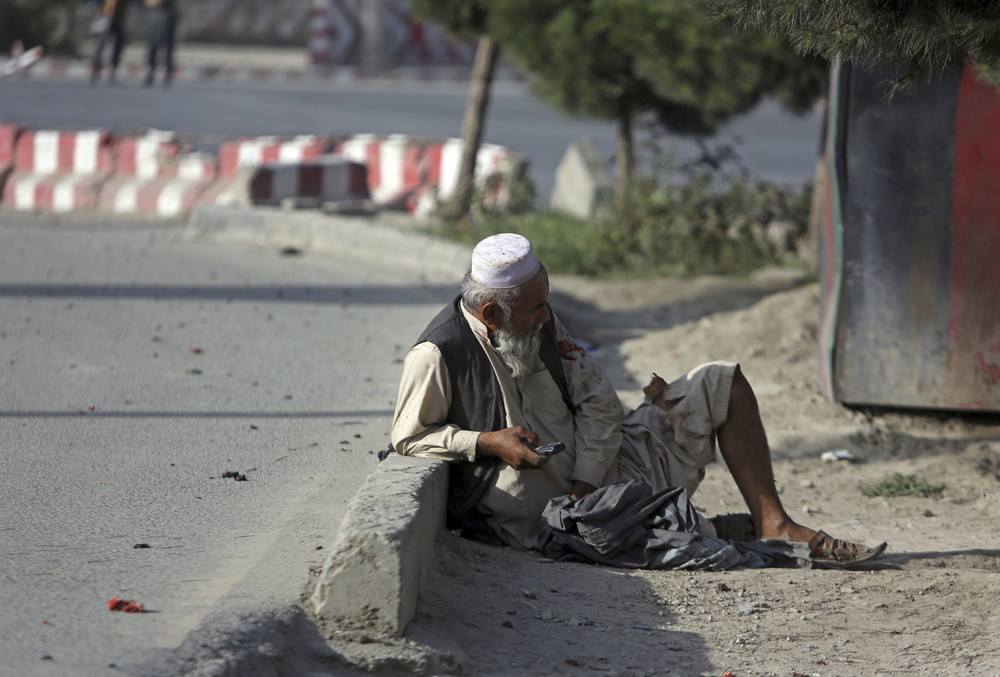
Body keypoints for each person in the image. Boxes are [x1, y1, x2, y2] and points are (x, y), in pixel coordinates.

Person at [391, 232, 886, 567]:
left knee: (721, 382)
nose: (547, 317)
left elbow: (600, 402)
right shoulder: (438, 354)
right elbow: (408, 438)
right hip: (554, 517)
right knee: (696, 543)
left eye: (547, 301)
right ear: (493, 313)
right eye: (537, 308)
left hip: (605, 469)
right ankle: (727, 528)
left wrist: (587, 477)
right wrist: (487, 442)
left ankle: (772, 523)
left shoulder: (540, 322)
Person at [90, 0, 130, 84]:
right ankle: (95, 69)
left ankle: (113, 69)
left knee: (119, 42)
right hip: (103, 15)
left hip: (118, 16)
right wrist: (100, 10)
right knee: (100, 43)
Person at [143, 0, 179, 86]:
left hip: (169, 12)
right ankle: (150, 69)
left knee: (168, 44)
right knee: (153, 43)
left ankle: (166, 71)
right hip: (155, 12)